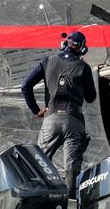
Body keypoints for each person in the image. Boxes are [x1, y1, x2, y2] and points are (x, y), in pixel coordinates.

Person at [21, 31, 96, 197]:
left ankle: (37, 196)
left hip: (51, 119)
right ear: (82, 48)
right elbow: (91, 98)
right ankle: (69, 203)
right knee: (71, 167)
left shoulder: (47, 61)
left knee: (40, 161)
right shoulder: (84, 67)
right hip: (74, 120)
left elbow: (25, 86)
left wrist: (36, 110)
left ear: (64, 44)